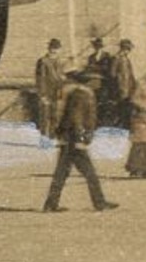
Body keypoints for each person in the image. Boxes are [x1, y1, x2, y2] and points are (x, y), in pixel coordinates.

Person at [42, 69, 118, 212]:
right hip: (75, 140)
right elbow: (76, 118)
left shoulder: (79, 94)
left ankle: (50, 204)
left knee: (61, 173)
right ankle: (100, 203)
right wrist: (81, 138)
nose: (100, 82)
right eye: (97, 80)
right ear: (90, 81)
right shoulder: (82, 95)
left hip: (69, 138)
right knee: (90, 174)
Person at [34, 39, 68, 143]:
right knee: (45, 115)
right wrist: (42, 94)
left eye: (57, 48)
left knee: (55, 115)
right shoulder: (43, 61)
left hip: (57, 91)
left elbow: (62, 75)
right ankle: (44, 137)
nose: (54, 51)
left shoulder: (59, 61)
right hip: (46, 91)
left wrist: (63, 79)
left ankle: (53, 137)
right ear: (49, 49)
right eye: (53, 48)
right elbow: (41, 79)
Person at [109, 39, 138, 128]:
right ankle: (122, 122)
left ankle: (126, 122)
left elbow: (130, 73)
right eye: (127, 48)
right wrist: (118, 81)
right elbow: (112, 73)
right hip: (121, 85)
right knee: (122, 104)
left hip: (127, 85)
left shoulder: (126, 59)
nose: (128, 51)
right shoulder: (117, 58)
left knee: (127, 103)